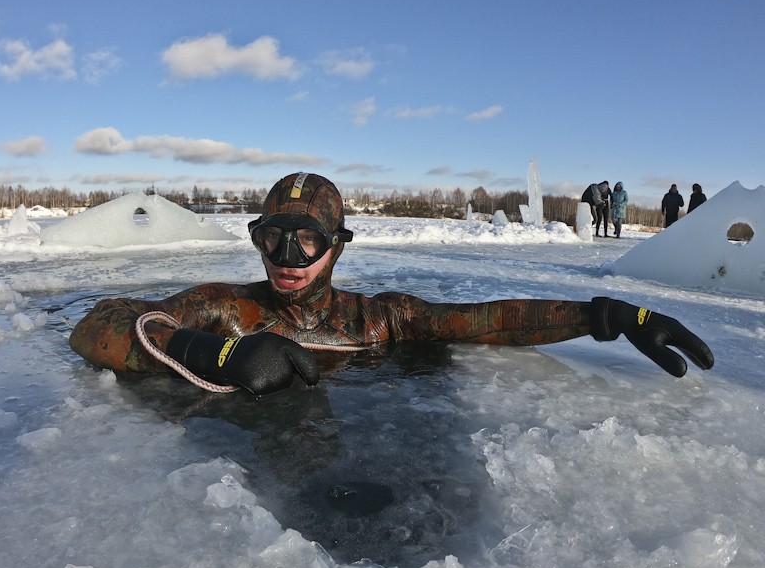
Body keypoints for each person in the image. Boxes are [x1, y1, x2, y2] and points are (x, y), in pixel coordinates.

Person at [69, 172, 714, 397]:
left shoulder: (378, 321)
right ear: (257, 239)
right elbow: (99, 325)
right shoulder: (223, 310)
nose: (288, 257)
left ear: (338, 246)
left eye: (309, 239)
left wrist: (606, 315)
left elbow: (491, 321)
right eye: (273, 238)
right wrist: (221, 354)